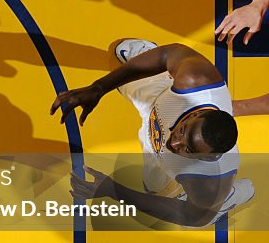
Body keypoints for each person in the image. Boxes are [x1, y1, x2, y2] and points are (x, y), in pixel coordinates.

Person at [50, 38, 250, 227]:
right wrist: (98, 88)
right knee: (119, 52)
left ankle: (226, 200)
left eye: (188, 149)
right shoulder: (195, 81)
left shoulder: (209, 182)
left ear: (208, 158)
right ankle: (158, 72)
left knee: (160, 199)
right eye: (182, 132)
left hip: (160, 147)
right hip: (158, 100)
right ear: (194, 114)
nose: (174, 144)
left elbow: (192, 216)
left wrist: (115, 191)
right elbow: (168, 54)